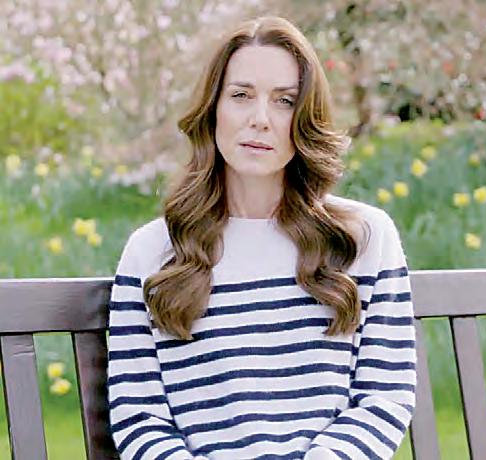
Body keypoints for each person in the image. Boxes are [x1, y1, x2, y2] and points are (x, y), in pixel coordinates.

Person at [107, 15, 416, 460]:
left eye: (285, 101)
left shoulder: (363, 239)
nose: (260, 120)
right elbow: (139, 418)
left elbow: (384, 397)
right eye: (241, 96)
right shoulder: (153, 252)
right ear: (213, 108)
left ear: (305, 118)